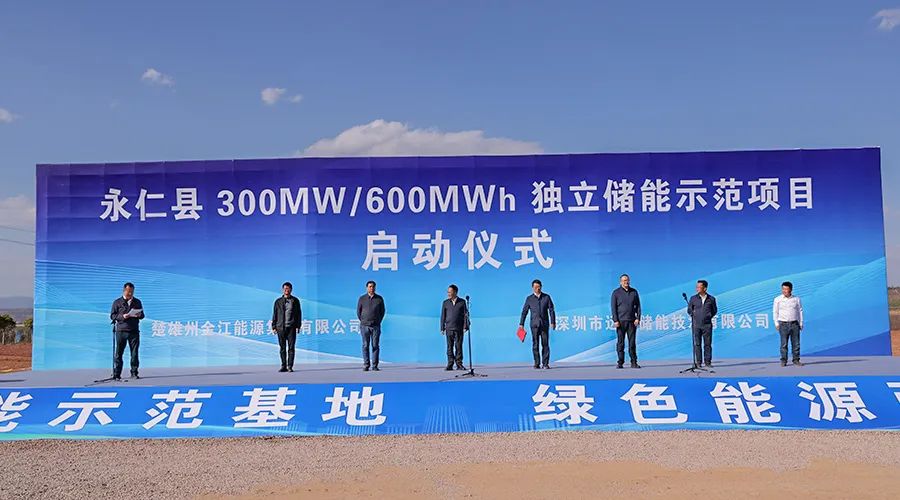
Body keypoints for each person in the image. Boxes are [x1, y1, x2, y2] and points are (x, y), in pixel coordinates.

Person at [109, 282, 145, 380]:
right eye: (129, 291)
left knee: (134, 353)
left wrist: (139, 315)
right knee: (119, 353)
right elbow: (112, 316)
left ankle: (134, 373)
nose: (130, 293)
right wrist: (122, 316)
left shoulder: (137, 301)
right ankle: (117, 374)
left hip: (134, 331)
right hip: (121, 331)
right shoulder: (117, 302)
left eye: (132, 291)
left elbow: (142, 315)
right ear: (124, 291)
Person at [519, 279, 556, 369]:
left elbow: (551, 310)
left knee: (545, 344)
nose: (537, 289)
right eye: (535, 287)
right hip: (534, 325)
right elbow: (524, 312)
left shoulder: (546, 297)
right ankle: (537, 363)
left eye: (539, 287)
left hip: (544, 325)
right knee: (535, 344)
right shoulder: (529, 299)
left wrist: (553, 322)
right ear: (532, 288)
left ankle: (545, 363)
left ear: (541, 287)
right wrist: (521, 324)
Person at [611, 273, 641, 369]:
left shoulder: (634, 292)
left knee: (632, 343)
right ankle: (620, 362)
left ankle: (634, 362)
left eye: (627, 280)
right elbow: (613, 308)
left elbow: (638, 306)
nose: (626, 282)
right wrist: (615, 320)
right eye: (624, 280)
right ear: (620, 282)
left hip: (632, 321)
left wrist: (638, 318)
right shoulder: (616, 293)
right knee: (621, 343)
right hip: (620, 322)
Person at [272, 281, 302, 372]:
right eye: (285, 289)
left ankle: (290, 366)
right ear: (282, 290)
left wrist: (298, 326)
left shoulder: (295, 301)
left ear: (291, 290)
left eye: (288, 289)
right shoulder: (278, 301)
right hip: (280, 327)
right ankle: (283, 366)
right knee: (282, 348)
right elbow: (275, 314)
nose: (286, 290)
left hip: (291, 327)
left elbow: (298, 314)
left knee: (291, 348)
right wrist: (274, 326)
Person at [687, 279, 717, 368]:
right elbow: (689, 310)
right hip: (696, 325)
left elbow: (714, 310)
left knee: (707, 344)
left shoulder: (711, 299)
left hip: (707, 325)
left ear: (705, 288)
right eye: (696, 287)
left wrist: (708, 316)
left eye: (699, 287)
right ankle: (698, 362)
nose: (697, 289)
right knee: (697, 344)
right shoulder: (693, 298)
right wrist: (695, 315)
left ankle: (708, 362)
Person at [773, 281, 804, 367]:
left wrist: (801, 323)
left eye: (786, 289)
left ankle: (796, 360)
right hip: (783, 324)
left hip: (795, 324)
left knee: (796, 344)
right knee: (784, 344)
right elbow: (775, 312)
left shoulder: (796, 299)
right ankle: (783, 360)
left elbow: (800, 311)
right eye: (783, 289)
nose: (784, 291)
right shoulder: (777, 299)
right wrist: (776, 323)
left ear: (791, 289)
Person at [357, 280, 386, 371]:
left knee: (375, 345)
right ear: (367, 288)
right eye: (370, 286)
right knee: (365, 345)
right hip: (364, 326)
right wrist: (363, 321)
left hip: (375, 326)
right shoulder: (362, 298)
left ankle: (375, 365)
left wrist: (377, 321)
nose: (371, 288)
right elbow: (358, 312)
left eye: (373, 286)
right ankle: (366, 365)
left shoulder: (379, 299)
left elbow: (382, 312)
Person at [440, 284, 470, 371]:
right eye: (448, 292)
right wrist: (442, 327)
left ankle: (459, 364)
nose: (448, 294)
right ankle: (450, 364)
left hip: (459, 328)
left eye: (450, 292)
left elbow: (465, 315)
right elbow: (443, 316)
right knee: (449, 347)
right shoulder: (445, 303)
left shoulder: (462, 302)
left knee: (458, 347)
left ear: (455, 292)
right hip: (449, 328)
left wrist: (466, 326)